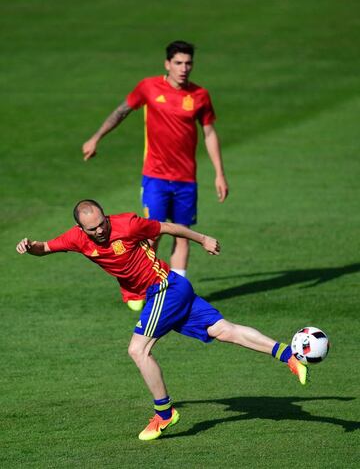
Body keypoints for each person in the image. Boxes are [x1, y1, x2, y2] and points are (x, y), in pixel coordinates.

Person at [16, 200, 308, 441]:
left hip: (164, 289)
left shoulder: (128, 224)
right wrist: (30, 247)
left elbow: (167, 227)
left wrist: (203, 238)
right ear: (82, 228)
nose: (101, 231)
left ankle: (165, 413)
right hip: (172, 292)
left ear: (106, 216)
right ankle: (288, 356)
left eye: (103, 223)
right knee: (223, 330)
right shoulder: (76, 238)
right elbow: (45, 247)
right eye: (93, 229)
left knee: (137, 350)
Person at [82, 40, 229, 310]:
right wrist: (96, 137)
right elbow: (121, 112)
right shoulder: (148, 88)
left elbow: (209, 132)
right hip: (156, 177)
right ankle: (145, 287)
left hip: (186, 179)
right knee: (152, 233)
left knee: (183, 234)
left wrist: (220, 173)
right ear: (167, 64)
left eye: (188, 63)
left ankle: (177, 295)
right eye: (178, 63)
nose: (184, 68)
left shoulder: (200, 95)